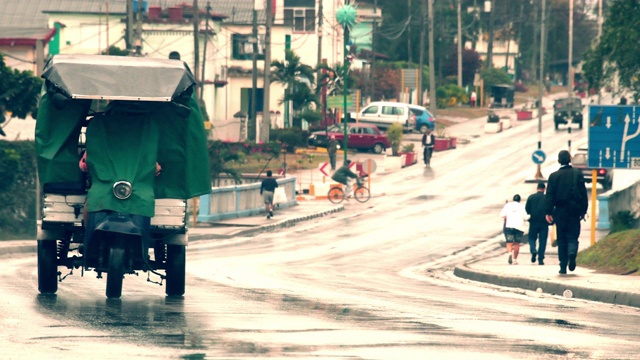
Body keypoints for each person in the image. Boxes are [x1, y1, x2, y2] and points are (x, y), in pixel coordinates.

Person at [545, 150, 588, 274]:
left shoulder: (553, 176)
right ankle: (572, 253)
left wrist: (548, 212)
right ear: (570, 159)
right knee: (573, 237)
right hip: (574, 211)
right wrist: (583, 210)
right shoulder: (577, 174)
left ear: (559, 160)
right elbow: (583, 194)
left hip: (560, 212)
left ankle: (563, 266)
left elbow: (549, 196)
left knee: (562, 239)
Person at [500, 194, 530, 265]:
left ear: (513, 199)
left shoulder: (508, 205)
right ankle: (514, 260)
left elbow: (501, 214)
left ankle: (510, 253)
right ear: (519, 200)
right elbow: (526, 217)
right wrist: (530, 216)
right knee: (517, 243)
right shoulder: (521, 206)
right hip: (519, 227)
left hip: (509, 226)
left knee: (509, 242)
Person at [525, 182, 548, 265]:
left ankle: (533, 250)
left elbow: (527, 209)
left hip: (533, 222)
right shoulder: (547, 198)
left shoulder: (531, 197)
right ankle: (541, 259)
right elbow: (551, 209)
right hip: (544, 222)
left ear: (537, 188)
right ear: (544, 189)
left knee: (531, 238)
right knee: (543, 240)